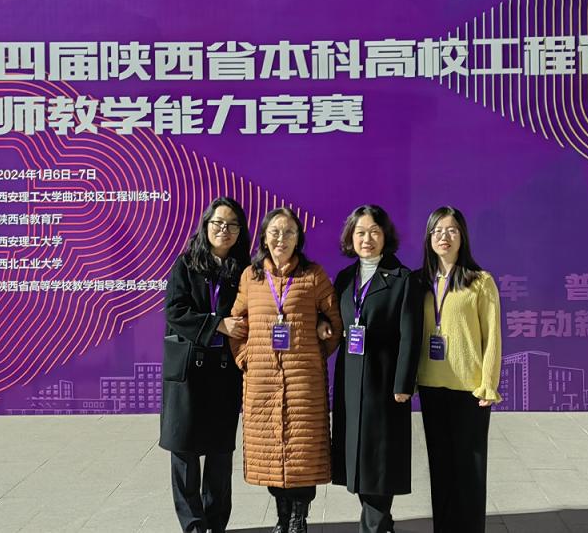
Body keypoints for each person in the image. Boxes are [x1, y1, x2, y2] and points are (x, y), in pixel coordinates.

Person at [230, 207, 343, 533]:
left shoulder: (313, 276)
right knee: (269, 453)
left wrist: (316, 352)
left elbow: (335, 322)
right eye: (275, 232)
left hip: (303, 381)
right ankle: (282, 517)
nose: (282, 238)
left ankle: (298, 519)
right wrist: (246, 358)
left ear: (298, 238)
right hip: (262, 381)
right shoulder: (251, 277)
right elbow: (236, 323)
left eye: (289, 232)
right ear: (264, 237)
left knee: (303, 453)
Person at [160, 197, 251, 533]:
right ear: (206, 226)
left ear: (240, 232)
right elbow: (175, 311)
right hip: (188, 372)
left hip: (224, 373)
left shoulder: (244, 271)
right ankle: (193, 526)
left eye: (232, 225)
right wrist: (217, 325)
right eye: (218, 223)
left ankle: (216, 523)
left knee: (219, 454)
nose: (224, 230)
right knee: (183, 452)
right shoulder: (186, 264)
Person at [330, 205, 422, 533]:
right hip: (350, 380)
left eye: (374, 232)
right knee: (356, 457)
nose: (366, 239)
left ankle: (375, 526)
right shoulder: (344, 279)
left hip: (385, 382)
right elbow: (336, 321)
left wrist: (403, 384)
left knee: (380, 458)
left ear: (385, 236)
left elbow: (411, 335)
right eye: (360, 232)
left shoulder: (402, 279)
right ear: (350, 237)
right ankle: (382, 523)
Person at [414, 206, 502, 533]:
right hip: (432, 386)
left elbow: (492, 336)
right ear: (429, 238)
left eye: (451, 230)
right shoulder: (420, 282)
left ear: (462, 236)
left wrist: (488, 383)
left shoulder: (481, 281)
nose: (444, 237)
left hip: (470, 389)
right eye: (437, 230)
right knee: (441, 467)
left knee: (470, 470)